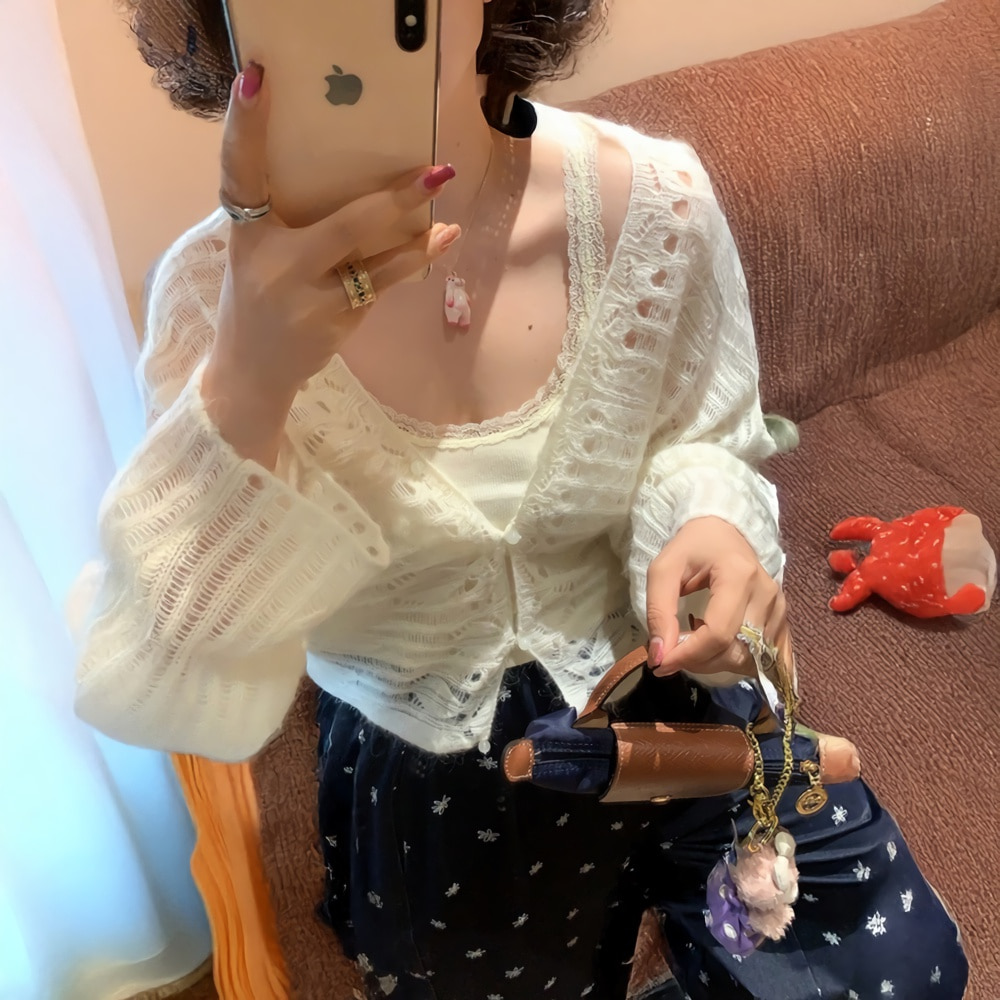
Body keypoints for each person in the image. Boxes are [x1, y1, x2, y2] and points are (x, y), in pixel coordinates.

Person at [73, 1, 969, 997]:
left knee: (896, 970)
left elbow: (707, 437)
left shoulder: (653, 202)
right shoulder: (212, 296)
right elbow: (162, 682)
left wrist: (709, 523)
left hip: (673, 689)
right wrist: (250, 375)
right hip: (432, 772)